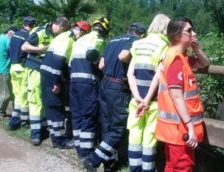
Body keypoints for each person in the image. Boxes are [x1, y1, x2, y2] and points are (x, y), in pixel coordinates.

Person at [83, 22, 146, 171]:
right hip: (119, 87)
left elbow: (101, 66)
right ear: (141, 35)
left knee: (107, 124)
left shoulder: (112, 40)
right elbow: (123, 56)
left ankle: (108, 163)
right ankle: (94, 159)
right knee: (119, 128)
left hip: (105, 84)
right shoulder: (135, 41)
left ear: (128, 29)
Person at [155, 17, 210, 171]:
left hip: (176, 130)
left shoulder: (181, 57)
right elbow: (176, 95)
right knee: (182, 167)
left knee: (173, 166)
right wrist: (190, 126)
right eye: (189, 30)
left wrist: (196, 49)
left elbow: (205, 63)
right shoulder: (176, 60)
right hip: (180, 130)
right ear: (177, 35)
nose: (194, 33)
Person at [126, 14, 170, 172]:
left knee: (135, 136)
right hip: (152, 102)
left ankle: (134, 169)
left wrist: (137, 97)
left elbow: (130, 74)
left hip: (135, 100)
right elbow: (158, 76)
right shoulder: (164, 46)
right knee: (149, 139)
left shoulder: (137, 43)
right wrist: (147, 100)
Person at [40, 21, 91, 149]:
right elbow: (60, 59)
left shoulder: (63, 35)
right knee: (57, 108)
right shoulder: (70, 40)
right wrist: (57, 82)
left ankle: (55, 137)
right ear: (82, 32)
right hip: (53, 74)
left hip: (46, 72)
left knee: (51, 107)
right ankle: (59, 141)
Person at [21, 16, 69, 146]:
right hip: (35, 69)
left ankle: (43, 129)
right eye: (64, 29)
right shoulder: (41, 31)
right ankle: (35, 133)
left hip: (47, 71)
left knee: (45, 100)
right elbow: (24, 47)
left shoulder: (58, 37)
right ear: (60, 26)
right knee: (36, 100)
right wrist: (40, 49)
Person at [69, 17, 110, 158]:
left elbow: (70, 63)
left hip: (73, 81)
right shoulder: (98, 40)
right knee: (88, 114)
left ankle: (78, 144)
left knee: (77, 113)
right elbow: (95, 58)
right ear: (104, 30)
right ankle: (86, 151)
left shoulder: (80, 40)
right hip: (88, 83)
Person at [8, 16, 36, 129]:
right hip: (22, 67)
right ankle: (22, 121)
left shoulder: (14, 34)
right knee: (23, 95)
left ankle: (16, 119)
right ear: (32, 25)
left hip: (13, 67)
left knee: (17, 94)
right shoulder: (28, 36)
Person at [0, 26, 18, 120]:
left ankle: (0, 111)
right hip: (4, 69)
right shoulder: (7, 40)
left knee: (0, 92)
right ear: (10, 33)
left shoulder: (0, 37)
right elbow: (15, 51)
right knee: (6, 94)